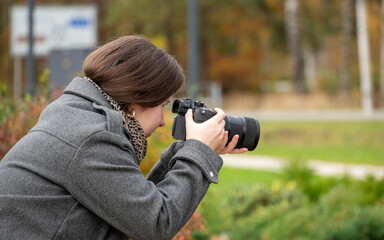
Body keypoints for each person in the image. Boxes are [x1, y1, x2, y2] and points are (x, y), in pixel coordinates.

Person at [0, 35, 247, 240]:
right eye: (162, 105)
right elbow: (156, 223)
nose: (162, 120)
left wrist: (187, 150)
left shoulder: (78, 115)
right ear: (134, 101)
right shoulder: (92, 137)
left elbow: (133, 204)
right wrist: (198, 151)